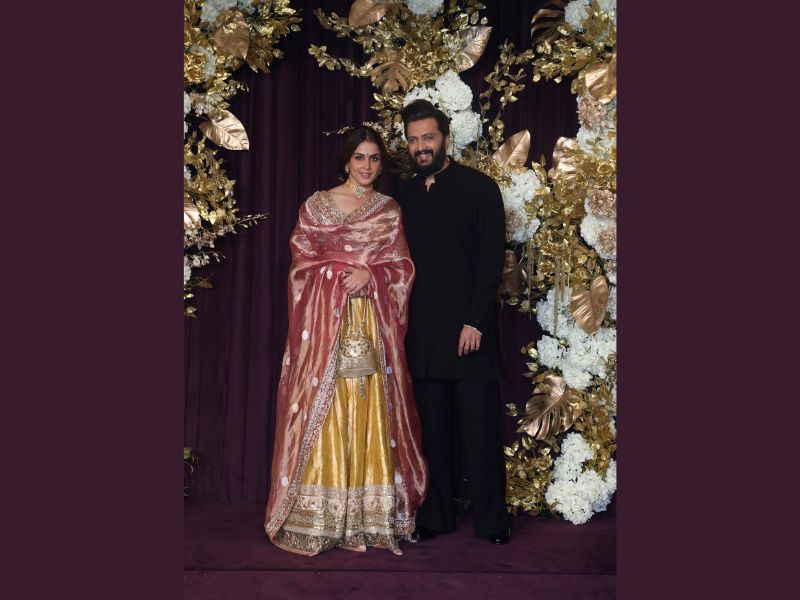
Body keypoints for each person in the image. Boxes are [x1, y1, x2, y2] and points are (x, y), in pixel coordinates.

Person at [264, 126, 428, 556]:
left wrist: (371, 274)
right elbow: (301, 265)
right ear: (346, 160)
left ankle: (367, 515)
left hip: (370, 322)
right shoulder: (316, 205)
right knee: (328, 403)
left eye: (374, 158)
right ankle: (318, 515)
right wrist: (338, 273)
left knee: (367, 402)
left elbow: (402, 266)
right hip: (325, 326)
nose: (367, 166)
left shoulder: (388, 210)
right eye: (360, 157)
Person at [396, 100, 511, 545]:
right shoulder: (403, 198)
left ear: (445, 138)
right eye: (413, 140)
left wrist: (475, 322)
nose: (421, 146)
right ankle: (436, 515)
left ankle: (493, 521)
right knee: (433, 435)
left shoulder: (480, 189)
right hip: (423, 337)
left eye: (428, 137)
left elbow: (490, 261)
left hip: (469, 334)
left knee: (480, 433)